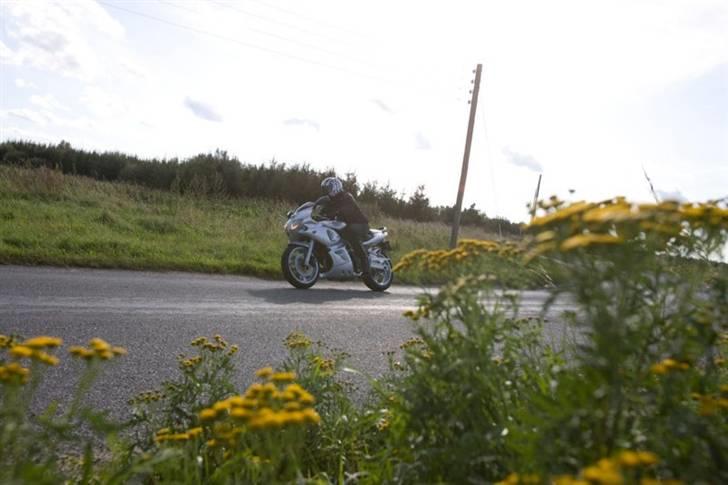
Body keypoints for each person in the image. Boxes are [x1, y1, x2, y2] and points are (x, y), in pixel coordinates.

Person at [314, 177, 370, 276]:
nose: (327, 191)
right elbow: (324, 211)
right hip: (343, 225)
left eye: (328, 188)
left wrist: (338, 213)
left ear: (336, 187)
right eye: (325, 189)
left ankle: (364, 262)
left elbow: (348, 208)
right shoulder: (330, 201)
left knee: (349, 233)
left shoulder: (346, 197)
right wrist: (317, 215)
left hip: (359, 224)